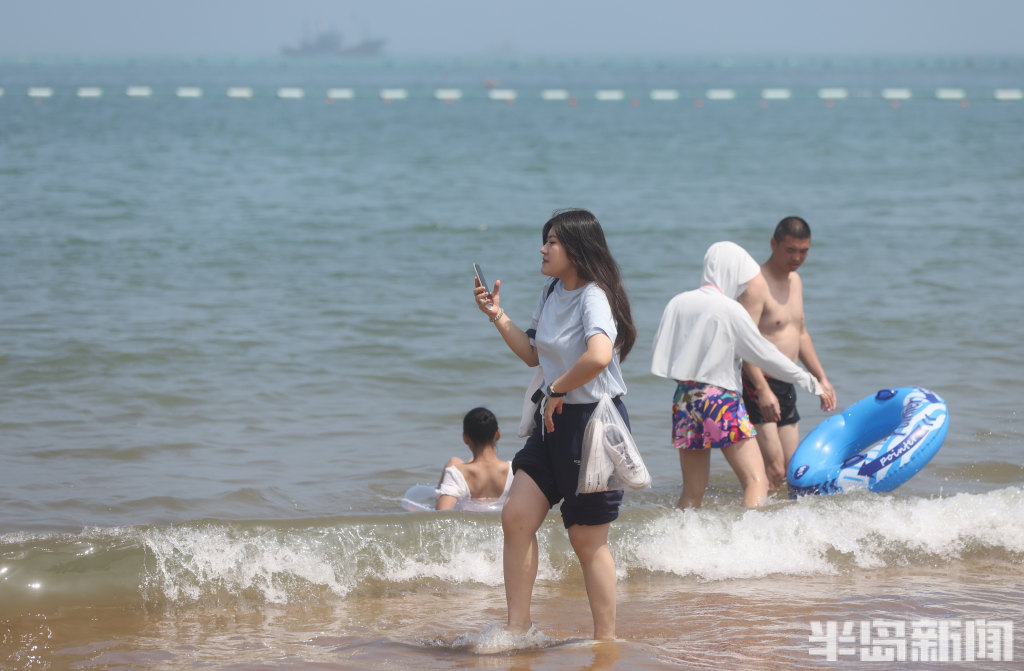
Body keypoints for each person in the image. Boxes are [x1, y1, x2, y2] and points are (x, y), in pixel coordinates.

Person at [473, 208, 636, 641]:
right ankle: (518, 630)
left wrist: (559, 388)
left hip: (592, 424)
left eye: (552, 242)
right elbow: (533, 354)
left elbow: (599, 355)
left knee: (587, 540)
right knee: (517, 517)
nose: (543, 249)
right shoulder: (551, 291)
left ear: (577, 249)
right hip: (552, 422)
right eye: (545, 240)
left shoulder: (594, 296)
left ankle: (605, 642)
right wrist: (496, 315)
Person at [650, 241, 826, 509]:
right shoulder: (730, 309)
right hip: (720, 400)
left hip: (685, 399)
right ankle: (749, 535)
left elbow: (663, 352)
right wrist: (809, 381)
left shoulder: (678, 302)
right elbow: (764, 354)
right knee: (757, 481)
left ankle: (681, 535)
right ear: (732, 272)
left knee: (692, 493)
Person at [738, 217, 837, 490]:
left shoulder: (796, 281)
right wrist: (761, 389)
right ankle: (754, 513)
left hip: (786, 381)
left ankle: (777, 512)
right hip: (759, 381)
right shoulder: (756, 285)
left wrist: (820, 377)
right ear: (774, 244)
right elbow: (743, 341)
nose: (797, 258)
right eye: (790, 250)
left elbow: (800, 333)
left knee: (792, 469)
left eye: (803, 251)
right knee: (775, 469)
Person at [435, 407, 513, 511]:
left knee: (453, 461)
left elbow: (441, 514)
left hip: (468, 508)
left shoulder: (456, 473)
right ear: (498, 434)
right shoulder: (514, 470)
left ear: (465, 438)